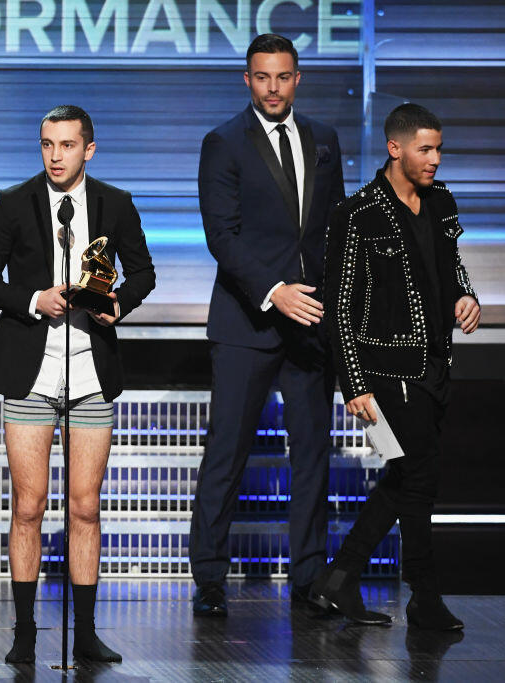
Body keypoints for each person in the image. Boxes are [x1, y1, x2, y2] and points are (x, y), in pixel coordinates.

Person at [0, 105, 155, 663]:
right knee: (28, 506)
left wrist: (119, 303)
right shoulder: (11, 203)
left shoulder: (114, 204)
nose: (55, 156)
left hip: (91, 371)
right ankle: (24, 633)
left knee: (85, 507)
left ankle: (87, 631)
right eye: (47, 144)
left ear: (88, 149)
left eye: (67, 145)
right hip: (32, 370)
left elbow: (143, 272)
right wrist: (33, 300)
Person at [190, 33, 345, 616]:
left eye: (283, 77)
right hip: (245, 322)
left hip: (311, 323)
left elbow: (334, 229)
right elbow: (221, 237)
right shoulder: (223, 143)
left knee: (312, 455)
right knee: (226, 454)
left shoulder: (323, 140)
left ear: (297, 78)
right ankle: (209, 578)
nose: (273, 87)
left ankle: (309, 579)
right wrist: (274, 292)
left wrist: (334, 304)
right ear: (247, 80)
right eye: (262, 77)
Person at [313, 103, 479, 629]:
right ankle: (424, 596)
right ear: (395, 148)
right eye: (424, 150)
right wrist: (354, 385)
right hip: (385, 375)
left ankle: (338, 580)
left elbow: (449, 268)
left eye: (438, 150)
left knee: (403, 474)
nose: (433, 160)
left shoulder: (441, 203)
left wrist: (465, 297)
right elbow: (340, 307)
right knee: (421, 476)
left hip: (433, 365)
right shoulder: (357, 214)